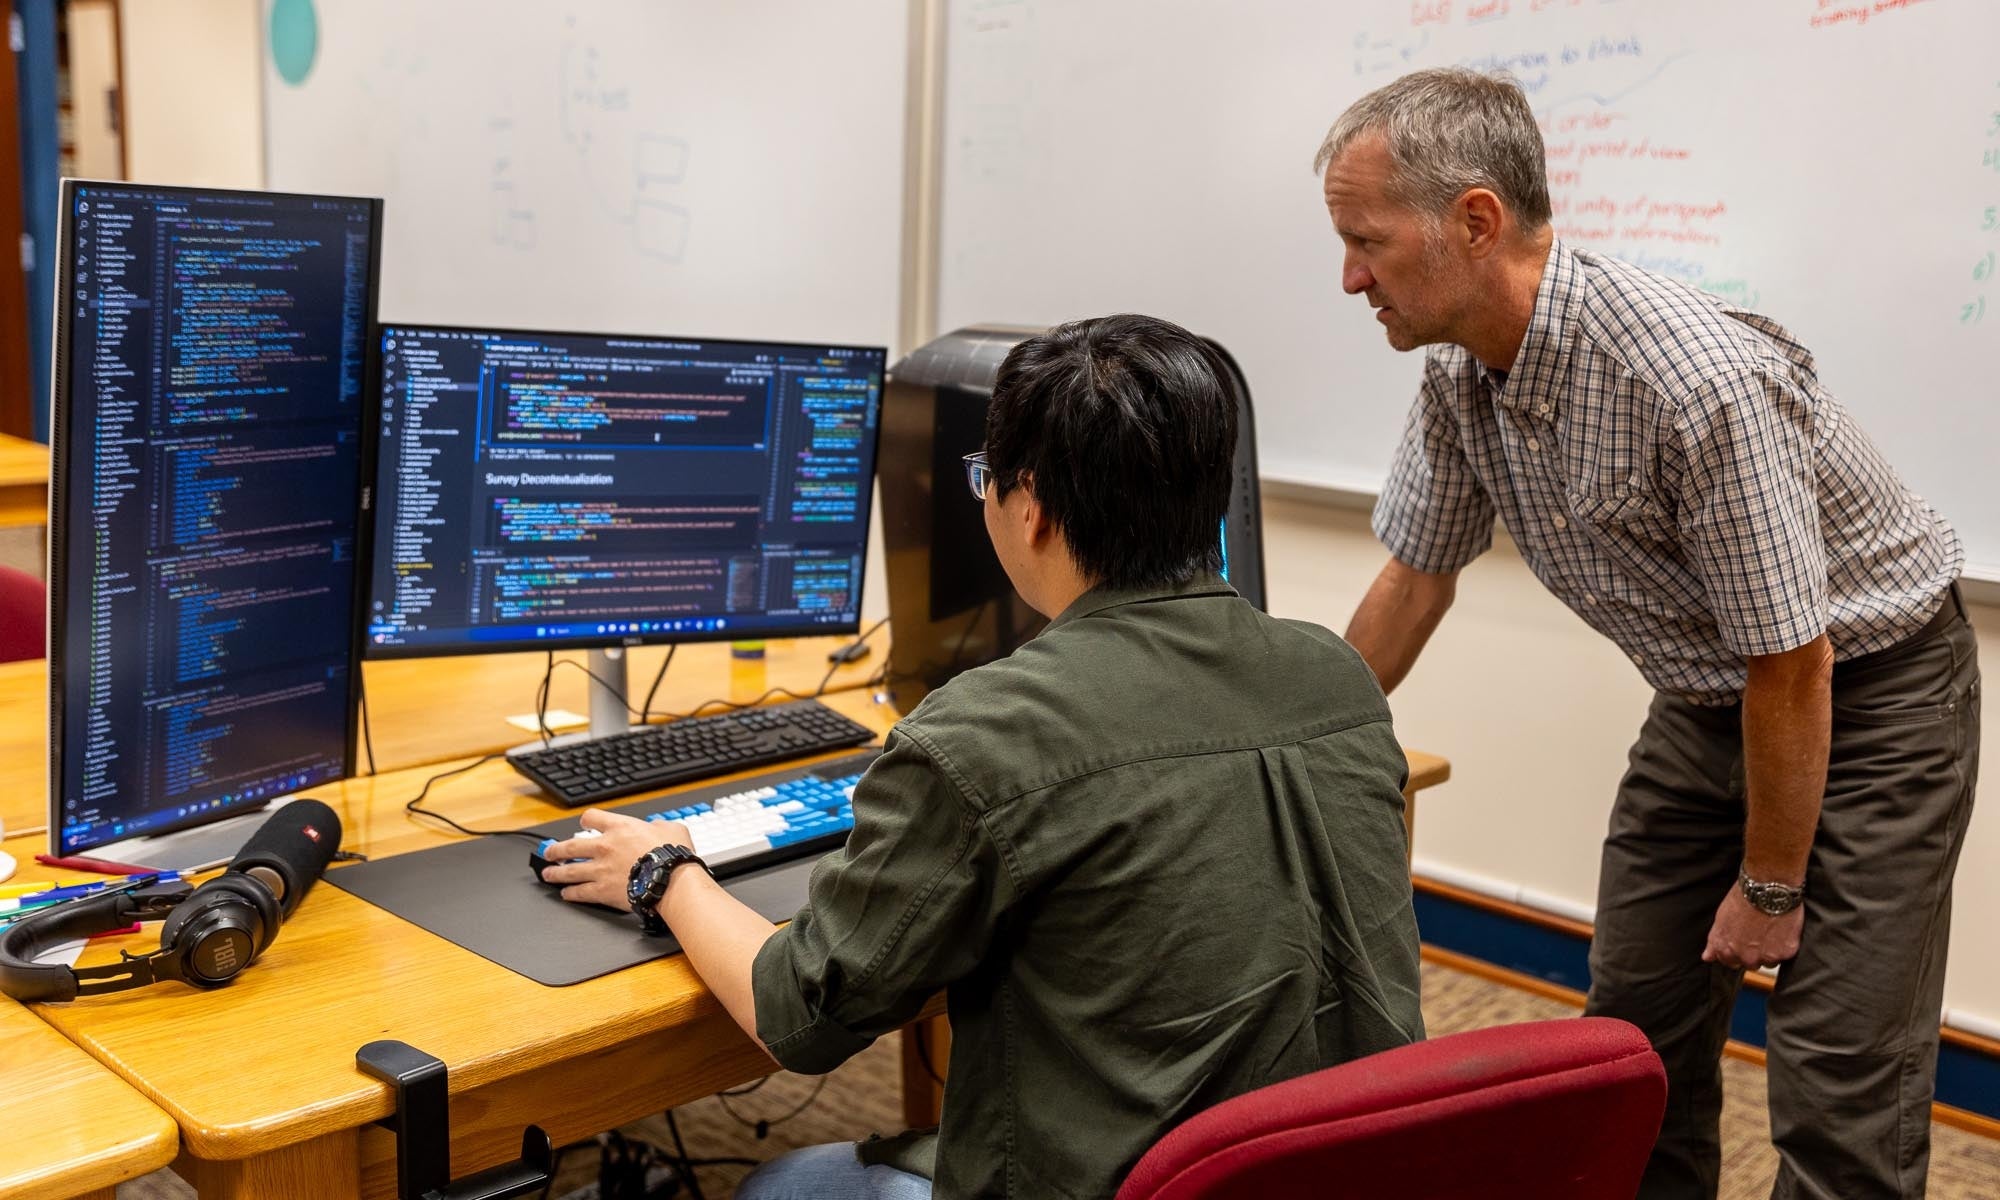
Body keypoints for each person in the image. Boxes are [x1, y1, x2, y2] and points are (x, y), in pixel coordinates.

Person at [541, 313, 1425, 1199]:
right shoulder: (1339, 675)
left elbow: (801, 1016)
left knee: (788, 1187)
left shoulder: (986, 733)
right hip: (1336, 1171)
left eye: (984, 479)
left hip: (1122, 1185)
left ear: (1028, 505)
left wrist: (666, 871)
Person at [1317, 67, 1979, 1200]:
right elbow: (1414, 581)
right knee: (1631, 1044)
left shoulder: (1691, 382)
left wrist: (1770, 886)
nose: (1349, 277)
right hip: (1712, 696)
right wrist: (1283, 736)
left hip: (1869, 697)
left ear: (1474, 221)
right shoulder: (1461, 378)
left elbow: (1793, 660)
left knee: (1837, 1081)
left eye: (1366, 242)